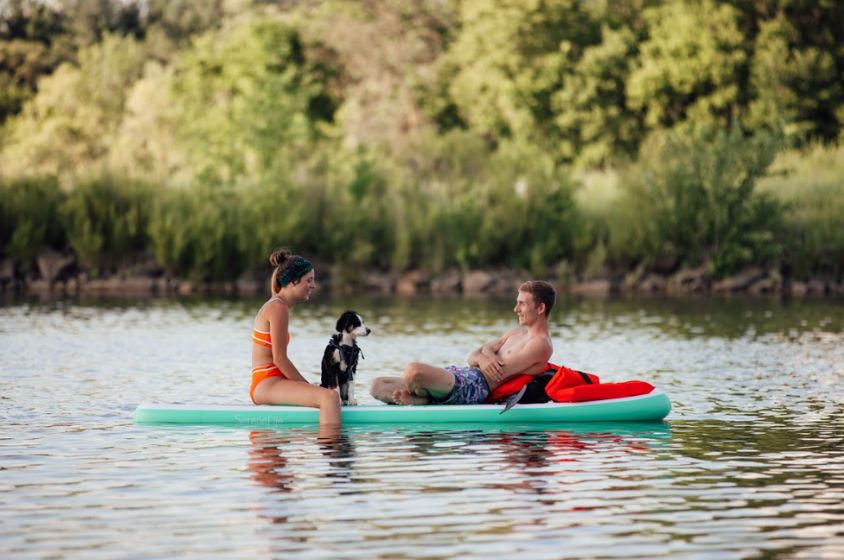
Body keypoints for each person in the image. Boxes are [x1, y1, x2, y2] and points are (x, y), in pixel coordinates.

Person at [370, 280, 555, 405]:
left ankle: (424, 399)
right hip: (462, 374)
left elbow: (497, 372)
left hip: (475, 387)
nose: (516, 309)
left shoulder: (540, 345)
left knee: (413, 371)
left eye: (522, 303)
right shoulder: (515, 333)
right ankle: (423, 396)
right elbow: (473, 356)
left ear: (540, 308)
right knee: (377, 385)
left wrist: (483, 356)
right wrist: (483, 358)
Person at [251, 248, 341, 425]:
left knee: (326, 394)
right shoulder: (278, 308)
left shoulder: (278, 305)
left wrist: (311, 389)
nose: (313, 286)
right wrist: (311, 389)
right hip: (266, 384)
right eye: (309, 280)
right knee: (329, 398)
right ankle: (332, 450)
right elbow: (280, 359)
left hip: (272, 382)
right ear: (293, 281)